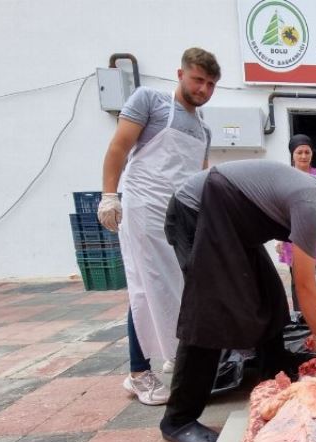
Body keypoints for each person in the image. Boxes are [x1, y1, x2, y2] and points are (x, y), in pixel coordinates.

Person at [160, 160, 316, 442]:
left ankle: (274, 367)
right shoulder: (309, 206)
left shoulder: (315, 195)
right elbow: (304, 282)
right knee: (212, 310)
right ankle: (178, 419)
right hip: (197, 214)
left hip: (232, 225)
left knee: (270, 295)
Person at [96, 48, 220, 406]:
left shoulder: (203, 129)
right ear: (180, 74)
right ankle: (138, 373)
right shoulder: (149, 101)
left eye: (211, 84)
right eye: (198, 80)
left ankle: (173, 353)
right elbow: (118, 148)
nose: (204, 89)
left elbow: (201, 175)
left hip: (181, 215)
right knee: (147, 289)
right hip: (146, 207)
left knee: (180, 289)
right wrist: (109, 195)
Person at [276, 134, 316, 315]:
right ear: (292, 155)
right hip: (293, 232)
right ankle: (300, 313)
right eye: (299, 152)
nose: (303, 156)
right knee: (299, 277)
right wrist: (277, 238)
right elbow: (278, 207)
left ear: (312, 154)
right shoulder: (284, 176)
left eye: (307, 152)